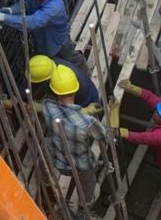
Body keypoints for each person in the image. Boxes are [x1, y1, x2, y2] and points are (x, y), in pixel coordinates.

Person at [41, 65, 112, 214]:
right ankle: (84, 204)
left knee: (45, 143)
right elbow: (105, 137)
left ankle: (46, 179)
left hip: (58, 160)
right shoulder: (87, 122)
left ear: (54, 91)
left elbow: (64, 112)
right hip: (81, 166)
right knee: (88, 183)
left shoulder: (47, 106)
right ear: (76, 89)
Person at [0, 0, 88, 72]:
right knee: (49, 61)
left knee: (72, 59)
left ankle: (85, 73)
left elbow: (32, 22)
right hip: (42, 38)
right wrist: (11, 10)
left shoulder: (54, 7)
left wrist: (4, 17)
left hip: (58, 41)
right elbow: (26, 2)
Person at [26, 54, 101, 110]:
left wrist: (41, 108)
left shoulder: (67, 86)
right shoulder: (50, 64)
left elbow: (68, 111)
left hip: (86, 103)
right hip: (86, 91)